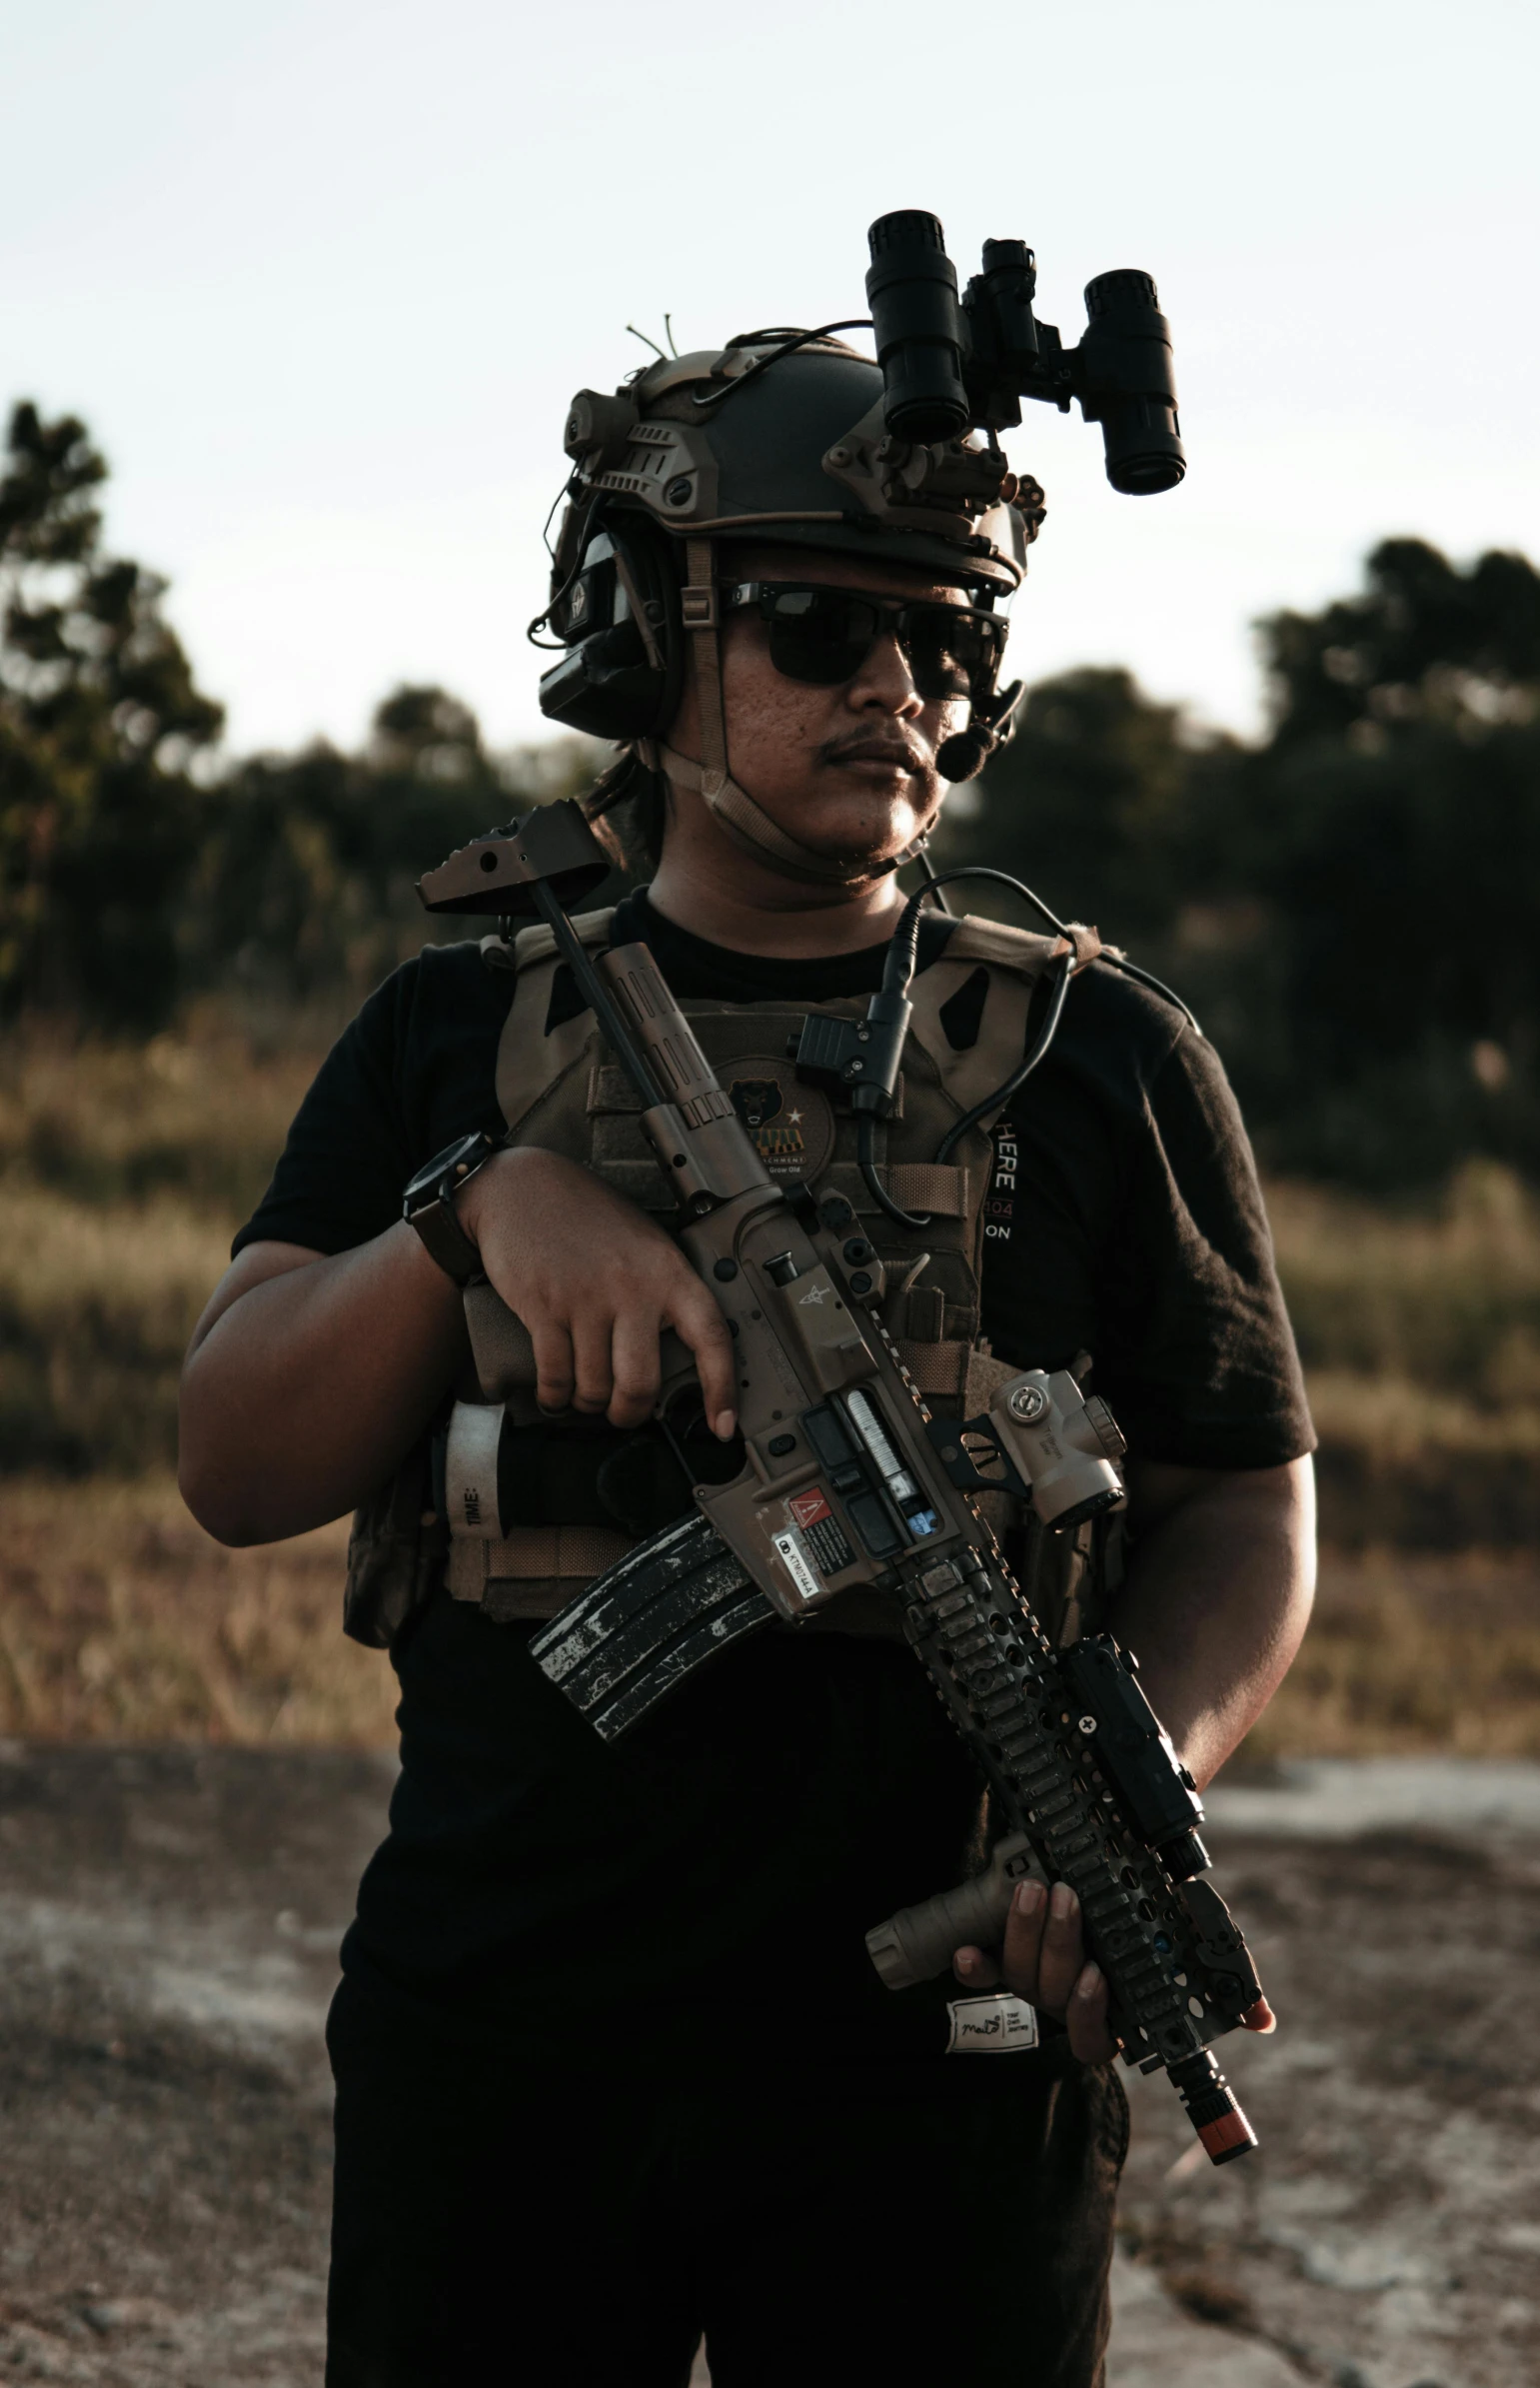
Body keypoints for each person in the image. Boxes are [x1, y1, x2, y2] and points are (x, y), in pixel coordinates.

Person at [179, 328, 1315, 2388]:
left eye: (945, 643)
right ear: (641, 633)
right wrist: (470, 1213)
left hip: (940, 2073)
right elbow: (237, 1461)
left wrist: (1137, 1778)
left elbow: (1240, 1492)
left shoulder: (1098, 1056)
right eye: (817, 621)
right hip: (508, 2030)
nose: (893, 688)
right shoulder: (462, 1028)